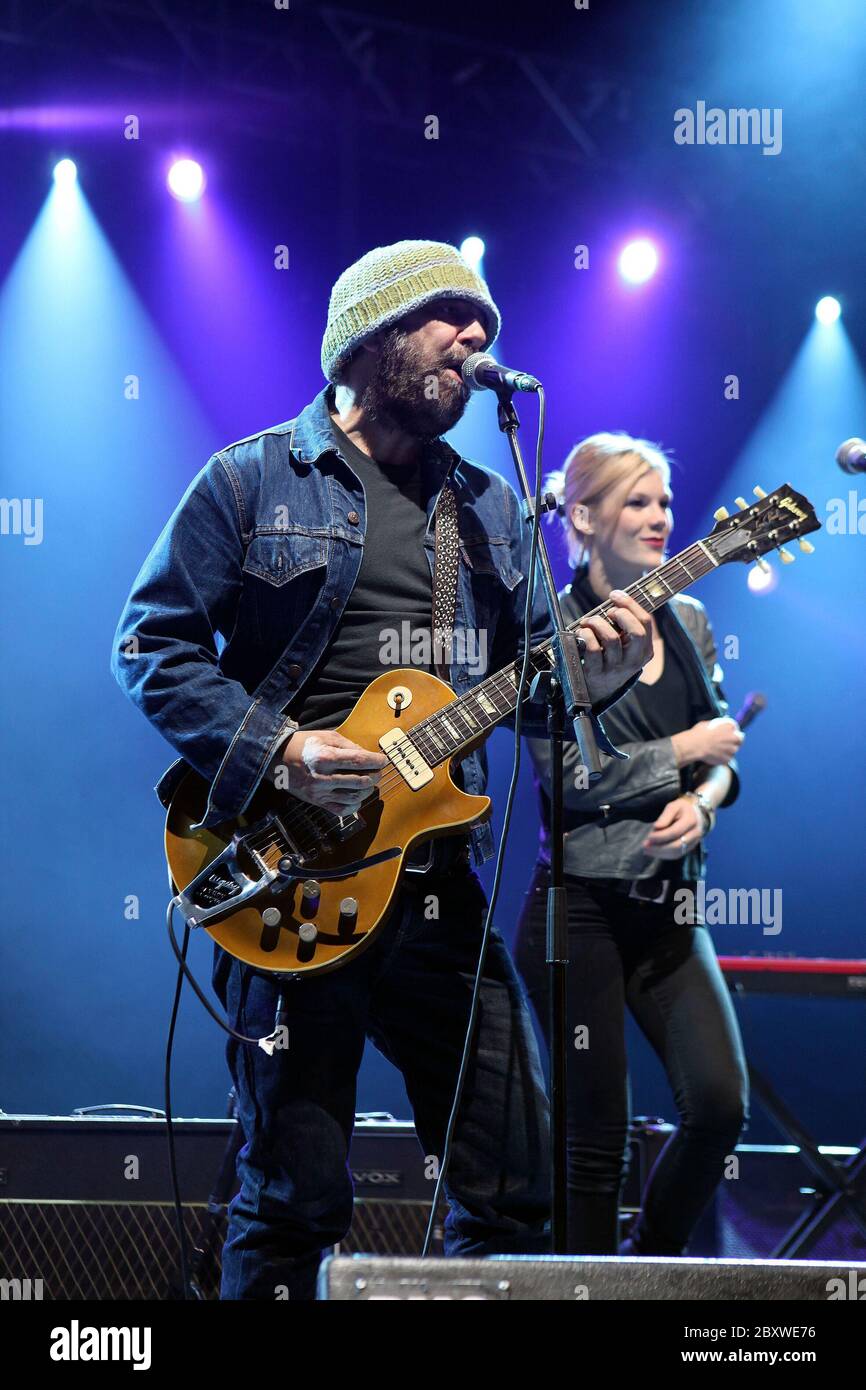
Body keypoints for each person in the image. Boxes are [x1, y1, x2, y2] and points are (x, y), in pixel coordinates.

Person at [111, 242, 653, 1299]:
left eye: (486, 322)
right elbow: (150, 645)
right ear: (368, 340)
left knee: (510, 1186)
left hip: (438, 888)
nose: (478, 338)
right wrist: (278, 747)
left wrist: (606, 664)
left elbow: (534, 685)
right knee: (292, 1196)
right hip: (292, 879)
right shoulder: (252, 478)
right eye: (450, 315)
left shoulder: (488, 509)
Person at [514, 431, 749, 1257]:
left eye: (664, 501)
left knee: (720, 1106)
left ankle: (643, 1272)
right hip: (581, 909)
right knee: (594, 1138)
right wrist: (684, 757)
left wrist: (706, 803)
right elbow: (571, 777)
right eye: (637, 502)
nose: (661, 517)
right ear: (582, 515)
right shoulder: (553, 625)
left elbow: (723, 756)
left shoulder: (686, 616)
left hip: (671, 904)